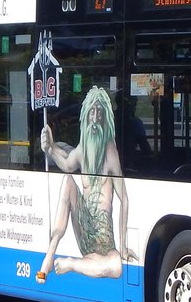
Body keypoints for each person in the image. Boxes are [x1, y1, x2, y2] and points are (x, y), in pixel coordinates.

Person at [38, 85, 138, 281]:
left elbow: (124, 199)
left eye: (99, 113)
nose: (94, 118)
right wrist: (49, 148)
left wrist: (123, 244)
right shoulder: (83, 148)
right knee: (68, 181)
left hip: (104, 238)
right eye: (91, 111)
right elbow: (67, 165)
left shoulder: (110, 150)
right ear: (86, 114)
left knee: (116, 267)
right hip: (84, 228)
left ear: (104, 118)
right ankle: (49, 255)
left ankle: (72, 264)